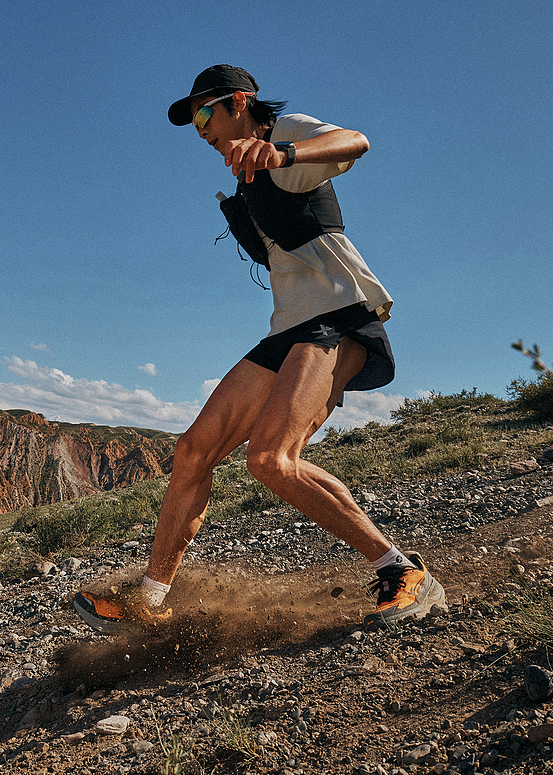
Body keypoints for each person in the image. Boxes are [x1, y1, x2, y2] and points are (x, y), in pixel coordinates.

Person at [72, 65, 446, 633]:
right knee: (195, 450)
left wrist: (284, 155)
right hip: (292, 326)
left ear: (239, 102)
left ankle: (401, 570)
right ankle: (150, 599)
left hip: (339, 315)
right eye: (191, 120)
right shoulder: (244, 171)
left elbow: (357, 141)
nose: (198, 128)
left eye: (204, 113)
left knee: (271, 459)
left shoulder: (282, 135)